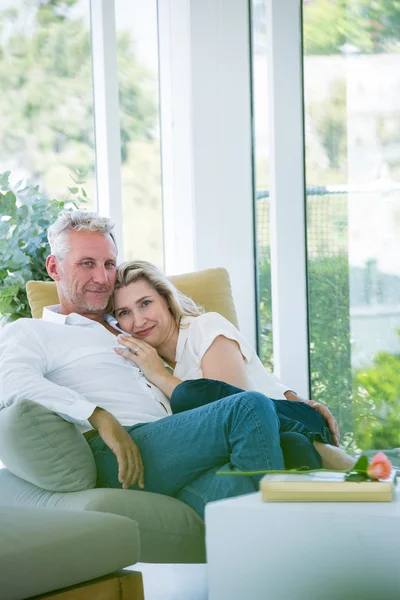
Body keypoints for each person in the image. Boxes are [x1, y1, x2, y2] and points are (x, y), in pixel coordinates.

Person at [0, 210, 324, 520]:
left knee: (291, 449)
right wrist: (98, 416)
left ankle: (282, 561)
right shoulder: (32, 332)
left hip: (177, 445)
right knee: (247, 408)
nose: (102, 278)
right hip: (118, 448)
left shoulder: (130, 324)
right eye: (87, 264)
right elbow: (11, 381)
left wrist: (290, 396)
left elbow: (204, 355)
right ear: (54, 268)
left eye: (109, 264)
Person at [112, 260, 355, 471]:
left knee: (194, 396)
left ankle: (340, 460)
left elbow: (239, 411)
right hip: (277, 439)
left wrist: (160, 377)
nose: (139, 320)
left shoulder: (204, 327)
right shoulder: (144, 368)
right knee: (293, 446)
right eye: (124, 313)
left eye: (145, 303)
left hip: (295, 420)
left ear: (166, 299)